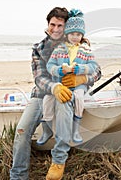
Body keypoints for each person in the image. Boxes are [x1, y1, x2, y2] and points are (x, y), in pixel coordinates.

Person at [10, 7, 101, 180]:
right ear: (48, 24)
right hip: (41, 95)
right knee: (22, 131)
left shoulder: (78, 45)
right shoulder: (39, 48)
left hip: (69, 93)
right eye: (53, 24)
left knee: (64, 102)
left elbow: (97, 72)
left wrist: (81, 80)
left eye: (61, 25)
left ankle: (59, 161)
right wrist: (54, 87)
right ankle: (18, 176)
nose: (56, 29)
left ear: (66, 27)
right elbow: (39, 77)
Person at [38, 9, 99, 146]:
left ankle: (75, 130)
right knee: (47, 100)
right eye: (72, 34)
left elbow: (95, 67)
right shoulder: (58, 48)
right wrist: (59, 71)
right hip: (59, 84)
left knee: (78, 97)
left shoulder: (85, 49)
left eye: (78, 34)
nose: (75, 37)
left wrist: (81, 73)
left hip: (78, 86)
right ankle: (46, 129)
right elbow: (47, 68)